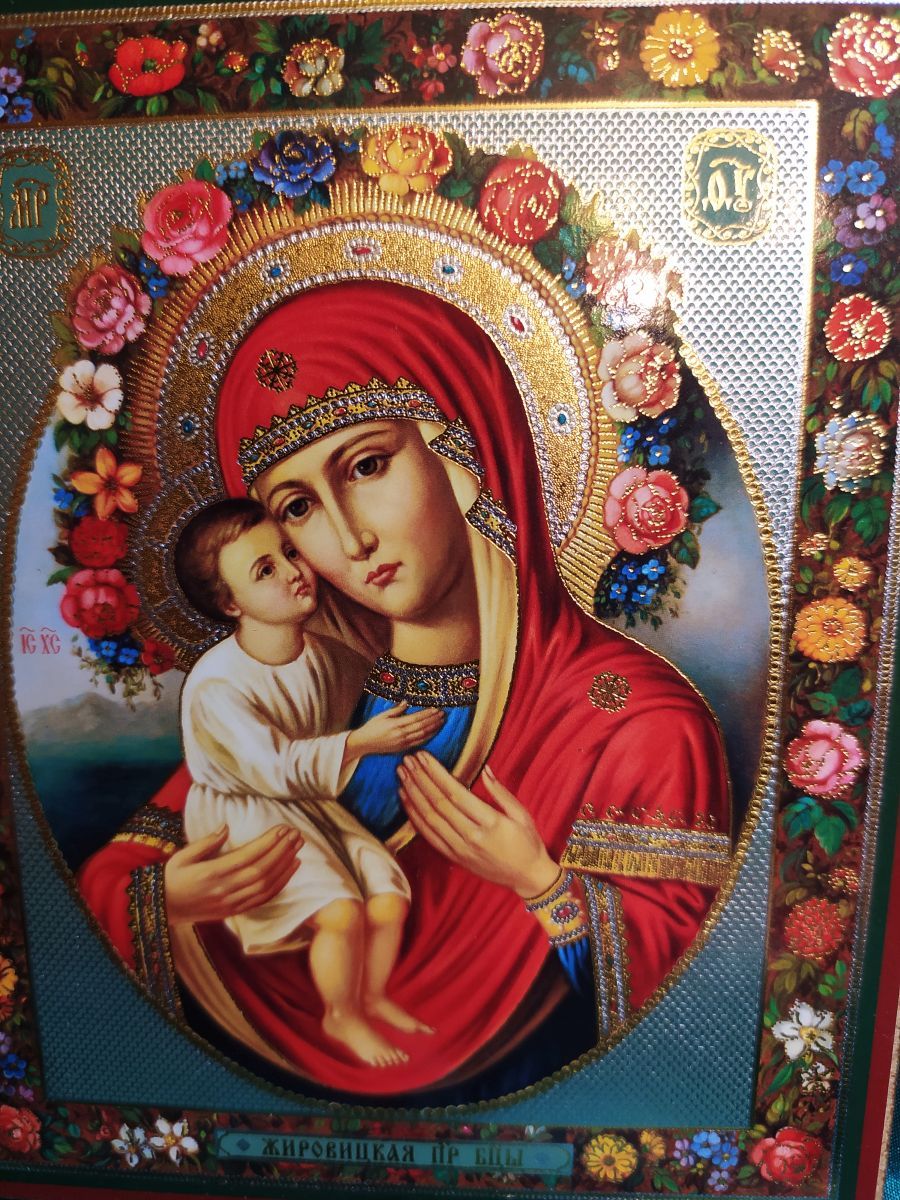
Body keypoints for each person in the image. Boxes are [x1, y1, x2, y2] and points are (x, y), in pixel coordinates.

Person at [79, 279, 732, 1101]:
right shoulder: (312, 693)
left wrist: (542, 885)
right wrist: (168, 897)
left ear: (465, 455)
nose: (351, 538)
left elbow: (691, 1009)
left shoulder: (632, 721)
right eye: (298, 509)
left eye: (368, 465)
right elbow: (119, 876)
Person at [174, 498, 440, 1065]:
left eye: (290, 552)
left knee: (388, 898)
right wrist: (362, 743)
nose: (293, 572)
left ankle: (372, 996)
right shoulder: (217, 685)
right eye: (265, 570)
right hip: (247, 816)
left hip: (311, 804)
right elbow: (272, 769)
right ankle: (340, 1015)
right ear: (230, 604)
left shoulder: (328, 657)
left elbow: (363, 702)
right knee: (340, 912)